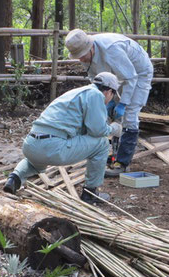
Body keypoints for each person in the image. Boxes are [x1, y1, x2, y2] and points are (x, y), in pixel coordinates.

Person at [3, 72, 122, 204]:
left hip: (31, 145)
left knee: (35, 161)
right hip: (53, 147)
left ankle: (14, 178)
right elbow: (97, 131)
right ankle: (90, 193)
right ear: (109, 91)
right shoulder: (96, 95)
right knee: (102, 143)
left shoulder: (77, 92)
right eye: (112, 96)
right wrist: (114, 128)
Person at [65, 29, 153, 176]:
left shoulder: (112, 50)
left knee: (129, 115)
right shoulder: (87, 56)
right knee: (114, 115)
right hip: (118, 74)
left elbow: (131, 78)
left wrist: (123, 103)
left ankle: (122, 164)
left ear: (90, 48)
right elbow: (95, 78)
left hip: (139, 73)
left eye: (82, 55)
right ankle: (114, 156)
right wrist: (105, 101)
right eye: (77, 56)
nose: (80, 59)